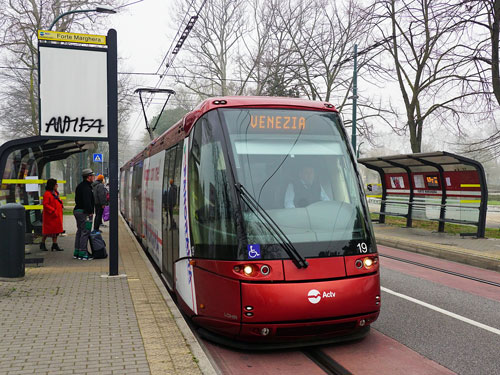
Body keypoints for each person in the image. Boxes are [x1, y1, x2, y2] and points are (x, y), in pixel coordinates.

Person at [74, 168, 95, 260]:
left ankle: (77, 251)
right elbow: (87, 201)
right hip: (84, 212)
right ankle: (83, 253)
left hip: (77, 211)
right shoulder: (87, 188)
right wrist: (90, 212)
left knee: (80, 231)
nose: (93, 177)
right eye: (92, 176)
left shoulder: (80, 186)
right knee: (85, 232)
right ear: (88, 177)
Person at [40, 178, 64, 251]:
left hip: (56, 215)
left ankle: (54, 244)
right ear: (52, 185)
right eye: (56, 184)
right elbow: (45, 204)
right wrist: (53, 210)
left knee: (56, 230)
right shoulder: (47, 194)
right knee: (47, 231)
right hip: (50, 216)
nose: (57, 185)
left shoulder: (55, 193)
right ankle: (42, 243)